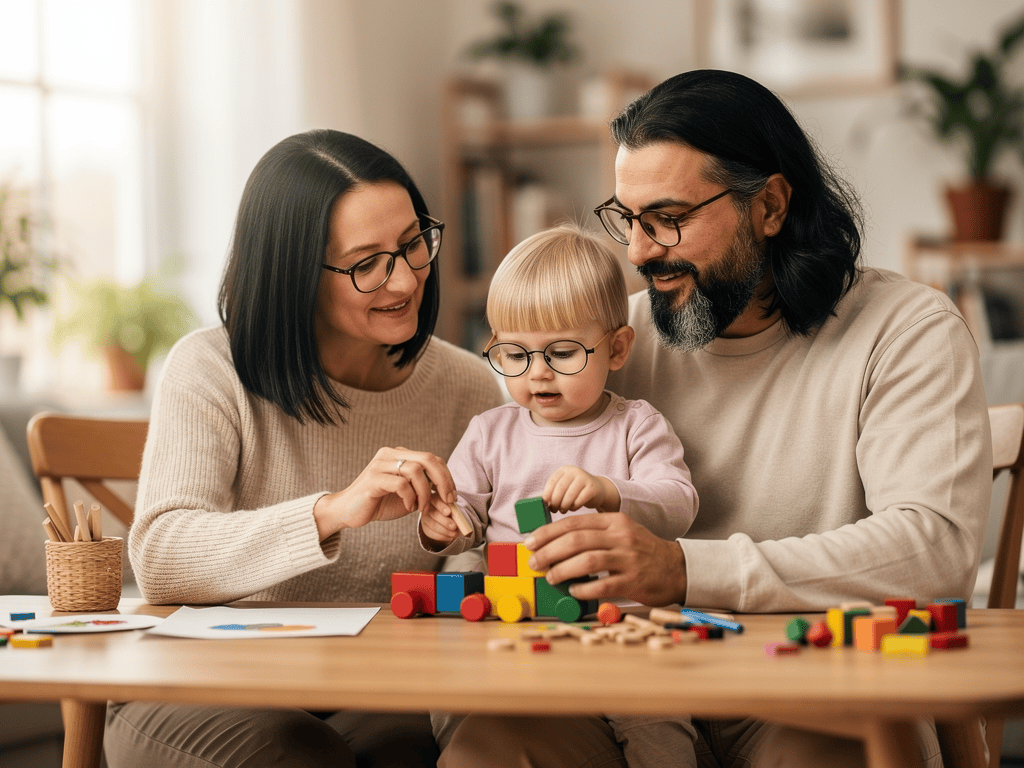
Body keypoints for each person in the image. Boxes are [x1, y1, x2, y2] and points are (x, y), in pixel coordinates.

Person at [436, 70, 992, 768]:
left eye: (668, 218)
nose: (638, 252)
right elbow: (498, 468)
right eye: (628, 220)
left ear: (770, 206)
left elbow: (933, 551)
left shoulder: (905, 330)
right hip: (618, 690)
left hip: (818, 690)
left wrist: (682, 569)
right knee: (486, 749)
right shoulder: (607, 342)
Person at [104, 129, 504, 768]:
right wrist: (332, 513)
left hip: (374, 687)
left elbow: (490, 557)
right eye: (366, 261)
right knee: (294, 757)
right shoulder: (210, 369)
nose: (404, 279)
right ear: (293, 273)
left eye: (411, 244)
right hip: (202, 685)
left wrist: (455, 543)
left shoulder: (467, 386)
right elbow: (161, 555)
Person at [420, 224, 699, 768]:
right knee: (461, 712)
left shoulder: (635, 425)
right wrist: (444, 523)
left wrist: (610, 491)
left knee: (659, 727)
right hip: (515, 622)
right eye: (514, 354)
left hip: (624, 627)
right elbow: (463, 511)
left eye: (563, 352)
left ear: (617, 348)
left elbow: (679, 503)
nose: (538, 374)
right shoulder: (490, 432)